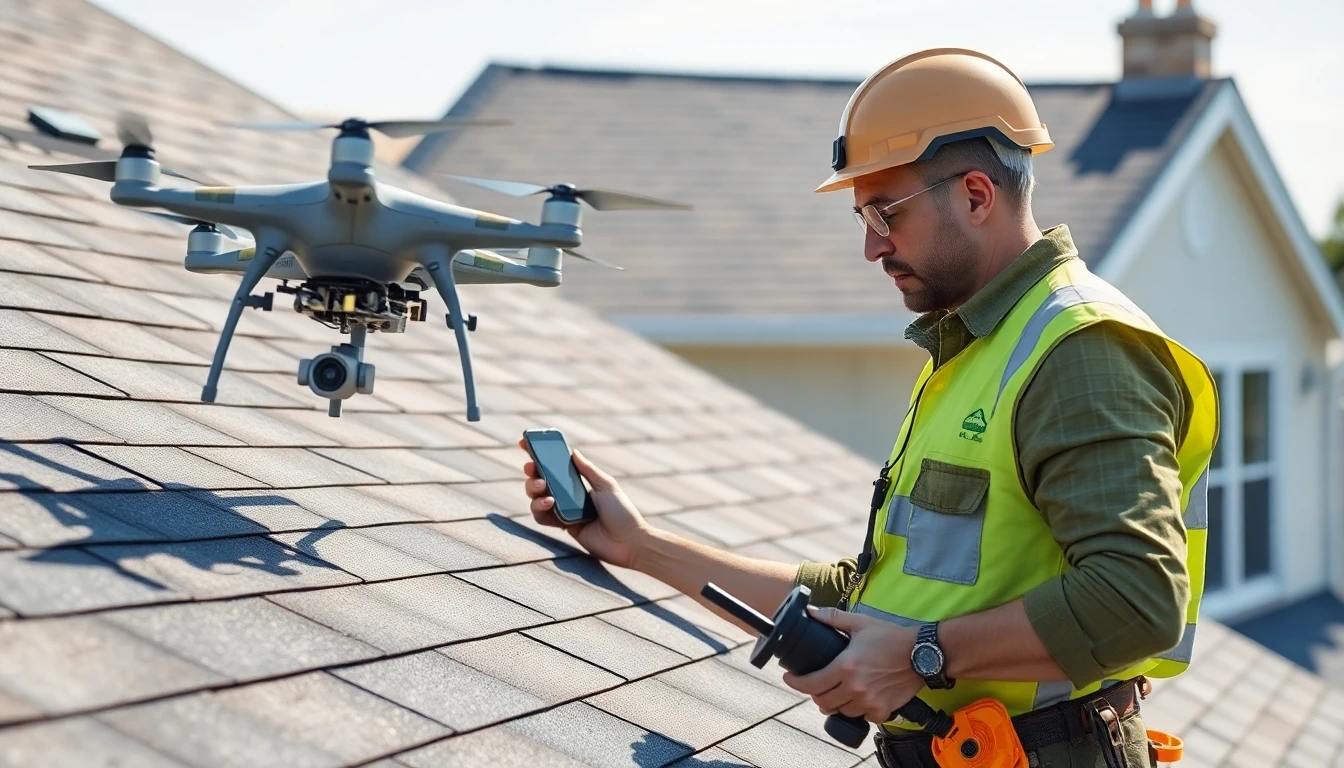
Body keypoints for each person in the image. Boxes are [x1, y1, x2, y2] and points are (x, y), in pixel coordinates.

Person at [519, 48, 1217, 768]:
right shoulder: (976, 350)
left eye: (886, 213)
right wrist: (643, 548)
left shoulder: (1080, 351)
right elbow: (871, 594)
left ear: (977, 195)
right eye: (862, 216)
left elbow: (1139, 599)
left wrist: (921, 654)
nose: (869, 246)